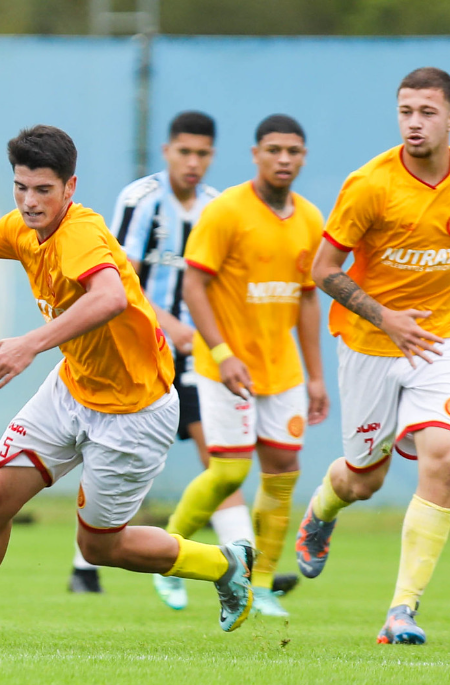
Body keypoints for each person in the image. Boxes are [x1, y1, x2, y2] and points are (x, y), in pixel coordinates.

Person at [0, 125, 256, 646]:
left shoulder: (80, 232)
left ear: (70, 188)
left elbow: (110, 297)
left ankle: (223, 564)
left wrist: (29, 345)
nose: (30, 202)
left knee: (100, 547)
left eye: (44, 190)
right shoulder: (21, 227)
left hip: (134, 412)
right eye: (21, 187)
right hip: (71, 389)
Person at [297, 67, 450, 645]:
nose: (414, 123)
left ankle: (401, 611)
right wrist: (386, 317)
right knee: (363, 480)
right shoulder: (369, 185)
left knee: (445, 458)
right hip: (370, 344)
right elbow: (323, 270)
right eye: (405, 112)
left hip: (441, 341)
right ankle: (321, 511)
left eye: (426, 112)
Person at [69, 111, 299, 605]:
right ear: (167, 151)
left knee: (219, 458)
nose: (193, 163)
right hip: (134, 350)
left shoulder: (217, 206)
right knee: (101, 451)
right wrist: (170, 325)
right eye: (184, 152)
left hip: (193, 356)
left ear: (213, 156)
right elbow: (118, 280)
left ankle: (245, 563)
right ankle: (84, 566)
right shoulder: (140, 200)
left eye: (202, 154)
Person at [174, 114, 328, 618]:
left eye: (293, 151)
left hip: (282, 371)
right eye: (274, 149)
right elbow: (193, 286)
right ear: (255, 154)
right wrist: (222, 353)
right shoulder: (226, 211)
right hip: (226, 367)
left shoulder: (310, 219)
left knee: (283, 472)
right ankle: (168, 555)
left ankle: (260, 586)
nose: (284, 159)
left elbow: (308, 299)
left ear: (304, 157)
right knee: (229, 472)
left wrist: (316, 376)